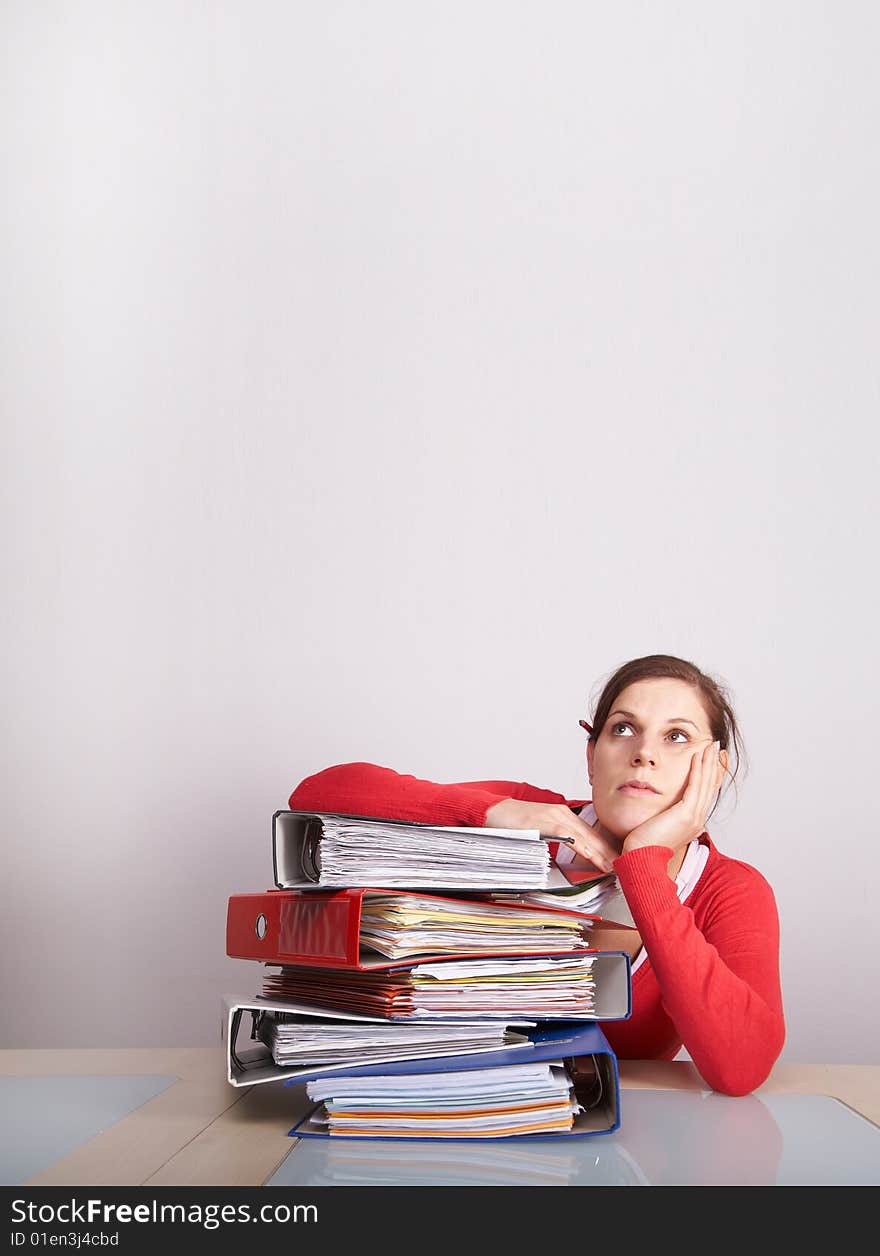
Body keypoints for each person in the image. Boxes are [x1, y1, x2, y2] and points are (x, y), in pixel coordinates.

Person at [288, 653, 785, 1097]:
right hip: (432, 1102)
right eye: (623, 729)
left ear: (714, 770)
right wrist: (493, 812)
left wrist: (645, 863)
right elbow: (318, 791)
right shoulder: (530, 817)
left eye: (676, 736)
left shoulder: (728, 889)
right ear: (592, 756)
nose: (644, 754)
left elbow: (741, 1069)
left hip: (610, 1135)